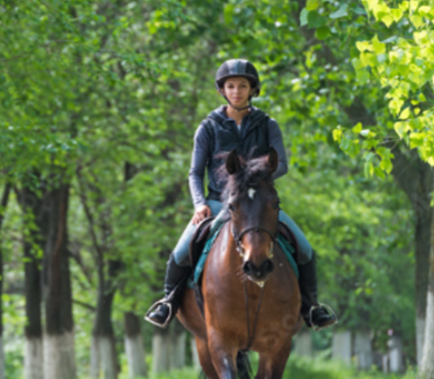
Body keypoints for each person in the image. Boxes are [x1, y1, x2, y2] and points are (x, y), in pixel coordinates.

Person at [144, 59, 336, 330]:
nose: (237, 91)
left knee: (305, 249)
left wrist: (254, 179)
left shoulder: (267, 124)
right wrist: (199, 204)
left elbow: (281, 164)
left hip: (258, 204)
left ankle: (312, 307)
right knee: (180, 252)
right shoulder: (208, 127)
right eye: (231, 86)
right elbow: (195, 172)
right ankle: (168, 302)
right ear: (222, 90)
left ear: (253, 89)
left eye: (243, 86)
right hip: (217, 202)